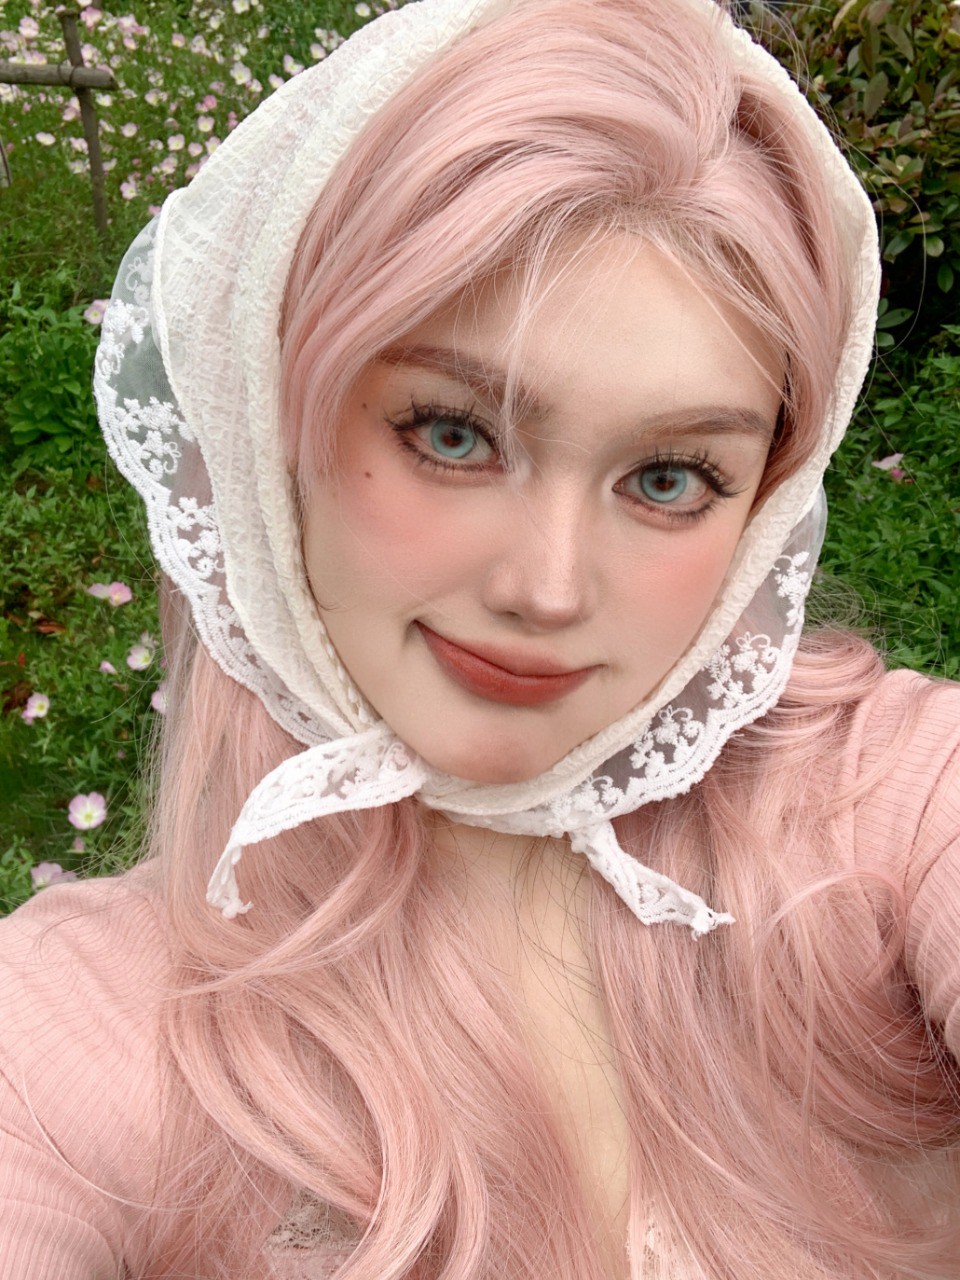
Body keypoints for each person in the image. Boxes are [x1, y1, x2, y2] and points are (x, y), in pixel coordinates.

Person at [1, 0, 958, 1276]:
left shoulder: (885, 806)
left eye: (669, 477)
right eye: (454, 434)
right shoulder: (74, 1031)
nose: (547, 589)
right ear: (271, 414)